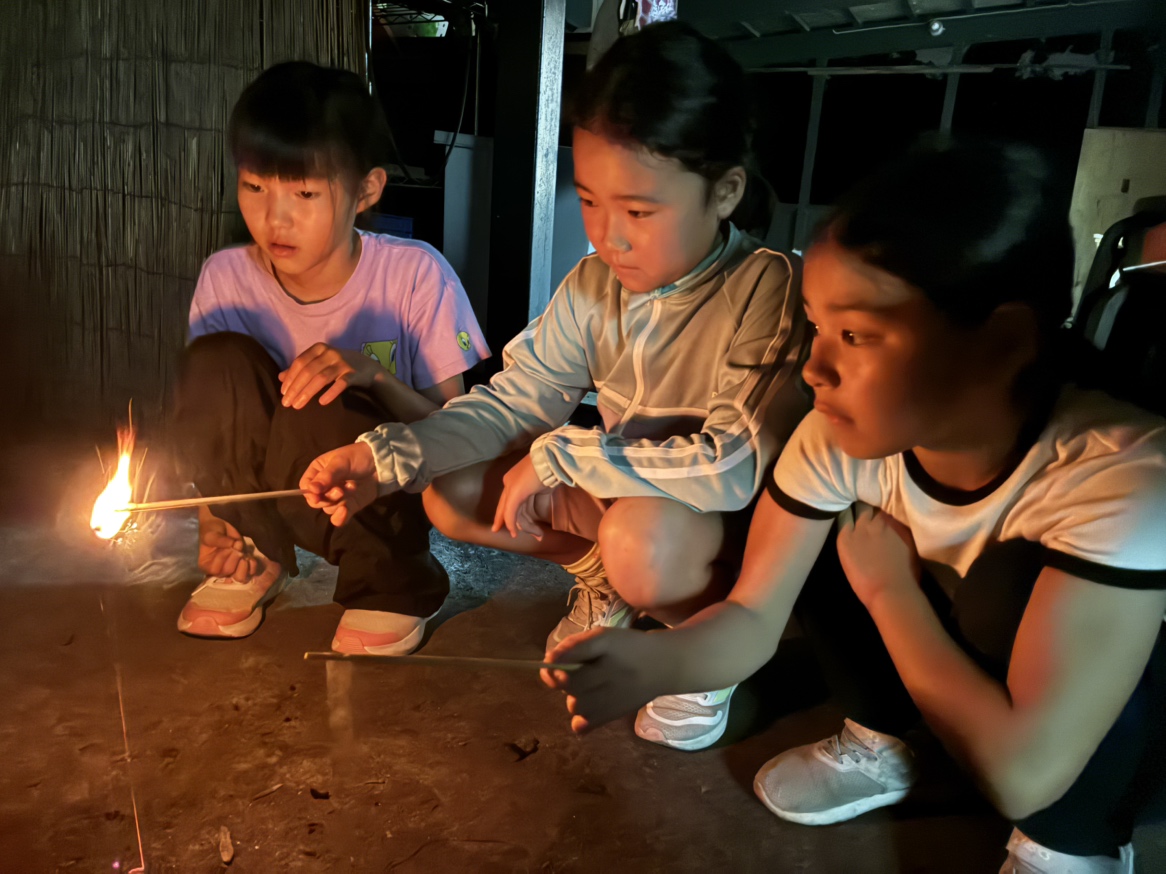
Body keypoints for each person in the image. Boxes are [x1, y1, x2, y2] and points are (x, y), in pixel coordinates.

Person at [541, 138, 1166, 873]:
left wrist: (890, 592)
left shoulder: (1120, 473)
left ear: (1001, 343)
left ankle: (1075, 842)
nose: (814, 367)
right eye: (815, 326)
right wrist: (664, 658)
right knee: (830, 534)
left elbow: (1024, 775)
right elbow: (754, 614)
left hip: (1096, 737)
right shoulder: (839, 436)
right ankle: (890, 737)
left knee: (1003, 583)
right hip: (969, 673)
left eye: (856, 335)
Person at [298, 21, 809, 749]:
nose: (609, 235)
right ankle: (609, 587)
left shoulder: (769, 288)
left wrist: (564, 456)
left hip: (720, 531)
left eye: (639, 210)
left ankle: (702, 643)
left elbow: (734, 466)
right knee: (455, 490)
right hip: (632, 503)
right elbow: (514, 402)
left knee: (639, 538)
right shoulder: (595, 284)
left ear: (724, 191)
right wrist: (384, 457)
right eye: (591, 200)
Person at [172, 61, 489, 655]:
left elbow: (457, 434)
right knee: (212, 364)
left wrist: (374, 375)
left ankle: (393, 580)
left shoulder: (415, 276)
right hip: (276, 492)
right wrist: (214, 520)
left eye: (305, 193)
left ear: (366, 190)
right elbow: (214, 421)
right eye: (255, 187)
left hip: (375, 498)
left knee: (329, 397)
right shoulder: (226, 278)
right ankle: (252, 552)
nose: (275, 218)